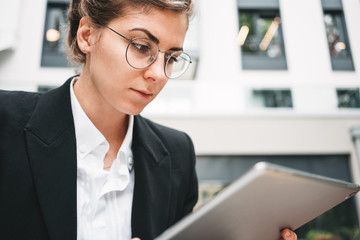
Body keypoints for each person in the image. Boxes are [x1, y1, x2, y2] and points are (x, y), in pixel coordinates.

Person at [0, 0, 297, 240]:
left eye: (171, 58)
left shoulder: (177, 153)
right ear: (87, 35)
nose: (158, 73)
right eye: (142, 47)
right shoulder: (5, 122)